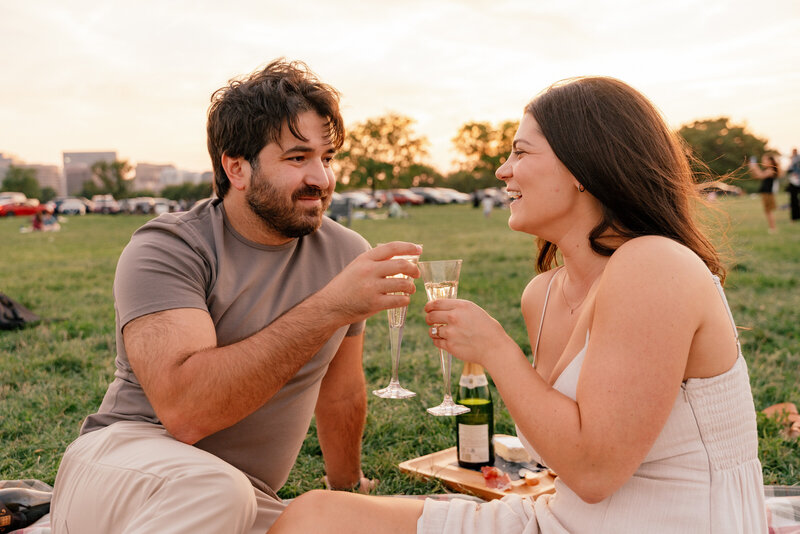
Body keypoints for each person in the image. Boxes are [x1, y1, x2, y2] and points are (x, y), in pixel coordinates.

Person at [270, 76, 768, 534]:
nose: (502, 169)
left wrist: (495, 351)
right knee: (313, 514)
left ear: (582, 167)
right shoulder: (544, 294)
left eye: (521, 152)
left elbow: (594, 471)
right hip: (558, 518)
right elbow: (560, 457)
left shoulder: (656, 265)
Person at [50, 59, 422, 534]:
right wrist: (329, 306)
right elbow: (187, 412)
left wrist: (346, 489)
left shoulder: (346, 251)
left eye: (326, 158)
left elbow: (341, 389)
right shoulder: (169, 247)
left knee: (381, 524)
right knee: (214, 491)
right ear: (236, 167)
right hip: (121, 466)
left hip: (241, 497)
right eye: (296, 158)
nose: (322, 179)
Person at [749, 154, 781, 233]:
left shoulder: (771, 170)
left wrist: (755, 166)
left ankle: (773, 228)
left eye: (765, 160)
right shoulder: (767, 169)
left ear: (770, 161)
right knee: (767, 211)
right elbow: (756, 176)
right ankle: (772, 227)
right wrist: (752, 168)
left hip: (768, 193)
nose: (763, 162)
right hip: (765, 193)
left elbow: (760, 175)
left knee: (769, 211)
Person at [787, 148, 800, 222]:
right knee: (793, 200)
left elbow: (790, 169)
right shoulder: (793, 159)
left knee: (794, 200)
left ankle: (795, 217)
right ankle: (795, 217)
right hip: (794, 181)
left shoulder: (795, 159)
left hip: (796, 181)